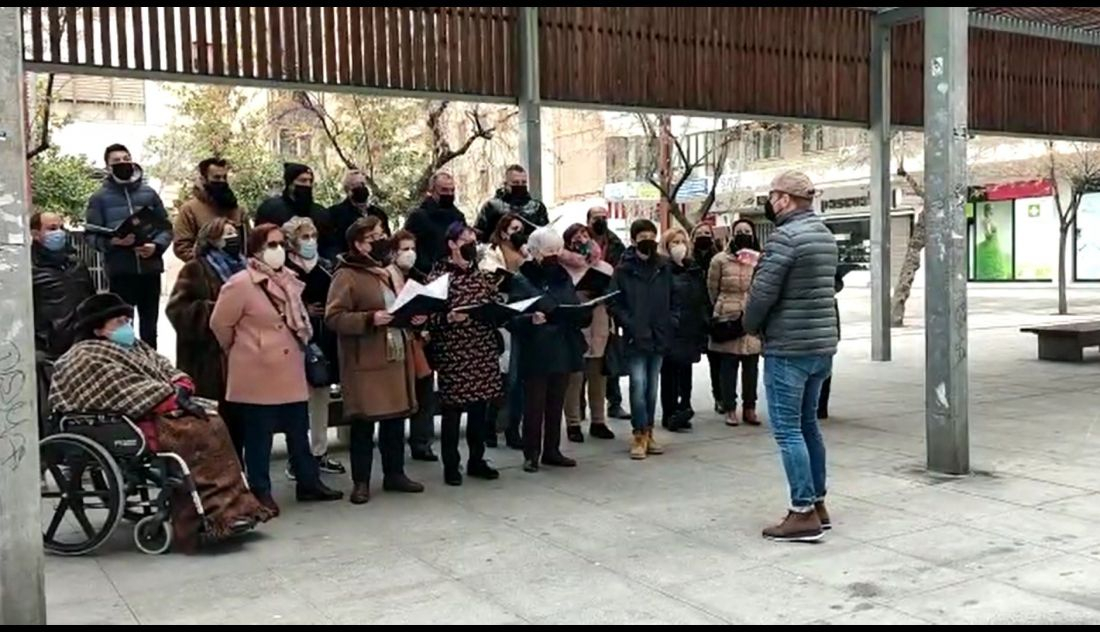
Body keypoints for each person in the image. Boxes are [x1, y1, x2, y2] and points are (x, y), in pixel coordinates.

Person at [49, 293, 273, 551]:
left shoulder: (135, 347)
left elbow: (167, 368)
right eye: (119, 322)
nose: (127, 327)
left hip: (151, 409)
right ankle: (209, 515)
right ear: (98, 328)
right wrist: (170, 397)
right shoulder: (86, 356)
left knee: (213, 420)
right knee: (198, 432)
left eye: (127, 320)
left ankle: (234, 509)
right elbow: (123, 390)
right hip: (123, 419)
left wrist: (180, 387)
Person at [210, 224, 344, 514]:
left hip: (289, 366)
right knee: (259, 437)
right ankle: (260, 490)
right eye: (272, 245)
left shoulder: (289, 280)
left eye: (282, 243)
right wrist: (246, 347)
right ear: (257, 249)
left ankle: (308, 482)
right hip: (257, 370)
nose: (279, 250)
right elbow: (220, 324)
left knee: (299, 429)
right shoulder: (241, 283)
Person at [743, 171, 838, 543]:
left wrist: (749, 325)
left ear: (784, 199)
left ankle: (801, 513)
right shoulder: (824, 235)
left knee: (787, 430)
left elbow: (763, 294)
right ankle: (818, 503)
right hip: (820, 346)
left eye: (772, 195)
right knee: (809, 425)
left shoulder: (785, 237)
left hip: (788, 347)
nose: (770, 202)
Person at [326, 217, 426, 504]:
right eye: (374, 237)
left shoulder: (384, 271)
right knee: (364, 423)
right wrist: (369, 318)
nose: (381, 241)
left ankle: (395, 473)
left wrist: (413, 315)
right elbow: (334, 317)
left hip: (394, 353)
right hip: (367, 360)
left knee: (395, 418)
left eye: (383, 235)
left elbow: (397, 306)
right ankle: (361, 482)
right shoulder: (346, 275)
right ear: (358, 244)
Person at [426, 222, 504, 486]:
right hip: (453, 354)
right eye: (465, 241)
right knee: (452, 413)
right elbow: (426, 316)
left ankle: (477, 459)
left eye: (474, 241)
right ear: (452, 244)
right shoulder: (438, 277)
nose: (471, 246)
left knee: (480, 410)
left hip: (482, 349)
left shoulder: (481, 274)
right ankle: (451, 464)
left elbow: (495, 303)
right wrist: (448, 318)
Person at [508, 228, 591, 472]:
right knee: (534, 405)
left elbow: (571, 303)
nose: (554, 255)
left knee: (556, 403)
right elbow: (512, 317)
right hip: (536, 350)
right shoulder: (522, 278)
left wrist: (580, 312)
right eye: (548, 251)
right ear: (534, 252)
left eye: (557, 250)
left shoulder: (562, 275)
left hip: (563, 346)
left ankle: (552, 450)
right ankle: (531, 453)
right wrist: (529, 319)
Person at [165, 218, 246, 458]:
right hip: (207, 359)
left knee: (240, 421)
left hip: (240, 355)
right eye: (226, 234)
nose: (233, 238)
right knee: (215, 424)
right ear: (211, 239)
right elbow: (177, 310)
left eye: (234, 232)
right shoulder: (195, 268)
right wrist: (218, 310)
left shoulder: (246, 267)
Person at [85, 143, 171, 349]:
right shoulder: (99, 199)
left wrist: (156, 246)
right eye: (116, 161)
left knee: (150, 328)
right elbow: (91, 236)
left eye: (126, 159)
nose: (123, 163)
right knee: (122, 328)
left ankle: (151, 368)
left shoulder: (149, 194)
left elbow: (166, 227)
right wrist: (113, 242)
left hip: (150, 270)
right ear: (107, 167)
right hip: (121, 271)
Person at [282, 217, 346, 477]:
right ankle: (296, 459)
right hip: (293, 343)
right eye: (304, 237)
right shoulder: (283, 269)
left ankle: (319, 453)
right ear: (292, 242)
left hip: (322, 341)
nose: (311, 242)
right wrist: (302, 310)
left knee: (320, 399)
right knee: (296, 404)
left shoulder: (326, 266)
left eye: (313, 236)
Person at [608, 219, 672, 460]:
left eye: (651, 235)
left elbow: (674, 298)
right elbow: (613, 301)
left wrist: (670, 321)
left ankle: (650, 431)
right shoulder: (623, 269)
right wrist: (630, 323)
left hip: (659, 335)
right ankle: (638, 433)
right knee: (638, 384)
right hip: (635, 336)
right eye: (642, 236)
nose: (648, 240)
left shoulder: (664, 266)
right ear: (634, 240)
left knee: (652, 387)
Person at [559, 223, 616, 443]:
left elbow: (613, 292)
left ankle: (599, 421)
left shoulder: (604, 266)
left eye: (584, 234)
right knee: (574, 378)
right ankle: (573, 422)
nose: (581, 239)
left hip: (600, 322)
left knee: (598, 376)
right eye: (575, 236)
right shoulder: (564, 267)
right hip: (576, 324)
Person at [479, 213, 529, 450]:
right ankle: (490, 425)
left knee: (518, 379)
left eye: (521, 228)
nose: (517, 232)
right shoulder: (492, 252)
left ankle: (513, 428)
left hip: (521, 316)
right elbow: (490, 275)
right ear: (503, 231)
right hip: (501, 319)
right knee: (501, 377)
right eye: (513, 228)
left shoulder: (525, 252)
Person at [387, 229, 438, 462]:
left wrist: (424, 316)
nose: (410, 254)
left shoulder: (420, 276)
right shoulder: (387, 276)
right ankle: (394, 448)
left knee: (425, 391)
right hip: (396, 340)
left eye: (413, 249)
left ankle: (421, 442)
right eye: (404, 249)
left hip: (420, 340)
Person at [707, 218, 763, 427]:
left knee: (751, 366)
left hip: (752, 314)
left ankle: (750, 407)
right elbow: (712, 289)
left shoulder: (760, 259)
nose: (743, 234)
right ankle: (729, 408)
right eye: (739, 231)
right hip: (727, 316)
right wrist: (722, 307)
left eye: (747, 231)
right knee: (728, 365)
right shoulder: (720, 260)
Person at [660, 228, 709, 433]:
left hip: (691, 326)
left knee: (686, 369)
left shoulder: (693, 268)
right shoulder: (663, 269)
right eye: (674, 242)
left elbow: (701, 296)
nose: (679, 246)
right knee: (670, 371)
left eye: (682, 241)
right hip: (672, 327)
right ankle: (669, 412)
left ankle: (684, 406)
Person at [30, 212, 96, 360]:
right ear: (35, 234)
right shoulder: (30, 271)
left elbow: (93, 302)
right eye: (52, 228)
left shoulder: (77, 265)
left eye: (61, 228)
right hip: (50, 352)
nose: (59, 233)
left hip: (85, 347)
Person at [587, 205, 630, 421]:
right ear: (588, 220)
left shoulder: (614, 243)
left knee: (608, 354)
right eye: (597, 218)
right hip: (585, 303)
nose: (601, 221)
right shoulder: (580, 240)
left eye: (604, 217)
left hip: (608, 303)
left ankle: (615, 402)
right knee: (586, 355)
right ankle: (579, 404)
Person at [172, 158, 248, 262]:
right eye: (216, 177)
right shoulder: (189, 210)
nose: (222, 181)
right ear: (203, 179)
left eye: (224, 177)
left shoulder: (238, 210)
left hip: (239, 272)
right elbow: (182, 248)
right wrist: (208, 265)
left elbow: (249, 243)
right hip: (205, 275)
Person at [255, 163, 334, 247]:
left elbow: (330, 245)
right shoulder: (270, 209)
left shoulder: (321, 213)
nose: (308, 185)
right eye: (303, 180)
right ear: (290, 184)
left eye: (310, 181)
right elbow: (259, 242)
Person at [404, 172, 467, 274]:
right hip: (426, 274)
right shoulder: (418, 217)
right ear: (432, 191)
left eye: (452, 190)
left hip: (453, 273)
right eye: (444, 190)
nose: (449, 194)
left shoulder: (458, 217)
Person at [691, 223, 724, 413]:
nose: (704, 236)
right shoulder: (687, 259)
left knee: (716, 358)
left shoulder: (718, 257)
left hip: (713, 312)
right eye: (700, 233)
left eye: (707, 233)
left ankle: (719, 396)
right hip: (693, 314)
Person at [475, 165, 549, 242]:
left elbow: (545, 234)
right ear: (506, 184)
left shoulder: (536, 207)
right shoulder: (491, 206)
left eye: (523, 182)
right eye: (515, 182)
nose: (520, 185)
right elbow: (480, 234)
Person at [326, 170, 391, 257]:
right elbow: (332, 244)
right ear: (348, 190)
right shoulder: (335, 213)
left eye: (363, 184)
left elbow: (388, 238)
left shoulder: (378, 213)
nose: (361, 187)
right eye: (356, 185)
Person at [818, 267, 846, 420]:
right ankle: (815, 407)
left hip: (826, 317)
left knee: (824, 367)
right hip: (811, 318)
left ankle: (821, 407)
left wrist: (830, 287)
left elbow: (838, 283)